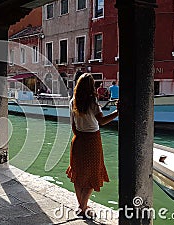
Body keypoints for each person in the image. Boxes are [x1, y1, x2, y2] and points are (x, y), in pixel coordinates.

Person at [66, 73, 119, 219]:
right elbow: (102, 121)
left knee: (78, 175)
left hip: (78, 140)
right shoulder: (93, 102)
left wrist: (79, 136)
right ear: (91, 87)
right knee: (92, 175)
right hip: (92, 141)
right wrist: (117, 112)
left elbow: (73, 126)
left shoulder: (73, 102)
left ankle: (81, 206)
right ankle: (83, 207)